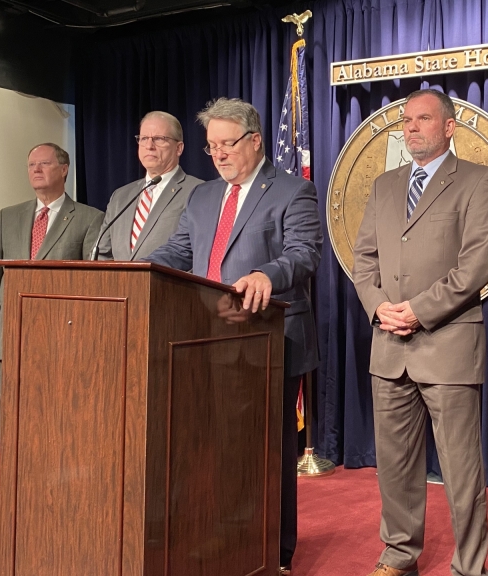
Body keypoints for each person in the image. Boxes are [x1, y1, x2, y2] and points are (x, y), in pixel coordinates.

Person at [144, 97, 322, 575]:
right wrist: (134, 269)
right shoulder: (203, 197)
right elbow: (179, 251)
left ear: (256, 140)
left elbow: (305, 253)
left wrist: (266, 274)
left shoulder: (292, 190)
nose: (219, 154)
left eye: (227, 143)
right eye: (211, 146)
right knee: (211, 447)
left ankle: (273, 550)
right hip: (204, 340)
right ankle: (219, 529)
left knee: (266, 452)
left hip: (267, 340)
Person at [352, 89, 488, 576]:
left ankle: (470, 566)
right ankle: (399, 556)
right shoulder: (385, 185)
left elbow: (479, 262)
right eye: (407, 120)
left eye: (423, 119)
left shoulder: (479, 181)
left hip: (448, 345)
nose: (412, 128)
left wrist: (419, 311)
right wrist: (379, 307)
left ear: (449, 126)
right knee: (395, 465)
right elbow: (364, 260)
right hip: (389, 345)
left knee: (461, 469)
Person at [0, 142, 104, 515]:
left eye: (44, 163)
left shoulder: (89, 218)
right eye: (31, 164)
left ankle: (58, 490)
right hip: (12, 331)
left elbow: (91, 280)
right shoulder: (9, 216)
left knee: (58, 416)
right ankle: (14, 490)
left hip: (61, 335)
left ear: (64, 169)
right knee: (15, 417)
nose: (36, 169)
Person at [96, 111, 203, 261]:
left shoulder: (198, 192)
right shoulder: (120, 196)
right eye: (144, 138)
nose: (149, 146)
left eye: (159, 139)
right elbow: (102, 254)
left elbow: (197, 253)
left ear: (179, 148)